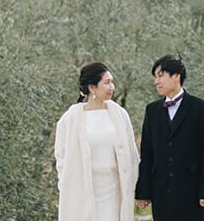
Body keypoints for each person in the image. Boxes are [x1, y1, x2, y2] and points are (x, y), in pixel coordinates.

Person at [54, 62, 140, 221]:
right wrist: (65, 185)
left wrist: (135, 187)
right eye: (107, 83)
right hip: (82, 191)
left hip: (113, 190)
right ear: (92, 87)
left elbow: (132, 155)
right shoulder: (70, 119)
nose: (112, 87)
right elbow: (61, 156)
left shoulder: (119, 115)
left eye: (112, 82)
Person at [134, 55, 204, 221]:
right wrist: (143, 191)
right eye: (155, 77)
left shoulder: (200, 108)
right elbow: (147, 153)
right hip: (161, 192)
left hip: (192, 192)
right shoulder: (152, 110)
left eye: (160, 76)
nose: (156, 82)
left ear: (176, 76)